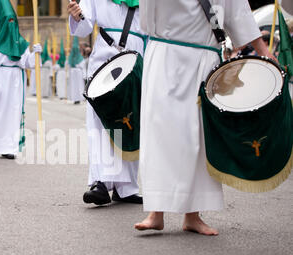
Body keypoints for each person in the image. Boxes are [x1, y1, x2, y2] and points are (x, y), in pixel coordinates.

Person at [135, 0, 276, 236]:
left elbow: (238, 11)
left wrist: (264, 52)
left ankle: (193, 215)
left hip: (203, 59)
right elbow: (148, 16)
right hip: (166, 56)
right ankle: (155, 211)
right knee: (159, 132)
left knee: (198, 137)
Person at [68, 0, 145, 205]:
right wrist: (76, 15)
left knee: (131, 121)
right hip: (104, 56)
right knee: (100, 120)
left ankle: (126, 187)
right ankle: (101, 182)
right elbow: (84, 25)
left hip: (137, 58)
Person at [0, 0, 42, 160]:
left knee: (14, 114)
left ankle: (11, 147)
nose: (11, 24)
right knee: (1, 115)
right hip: (0, 82)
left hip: (16, 82)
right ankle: (1, 146)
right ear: (2, 23)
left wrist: (36, 53)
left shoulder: (20, 43)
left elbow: (28, 64)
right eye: (8, 21)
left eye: (13, 21)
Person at [67, 36, 85, 104]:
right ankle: (75, 98)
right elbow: (68, 65)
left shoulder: (80, 58)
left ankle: (79, 98)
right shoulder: (70, 57)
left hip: (78, 72)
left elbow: (82, 66)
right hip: (73, 72)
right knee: (74, 86)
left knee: (79, 85)